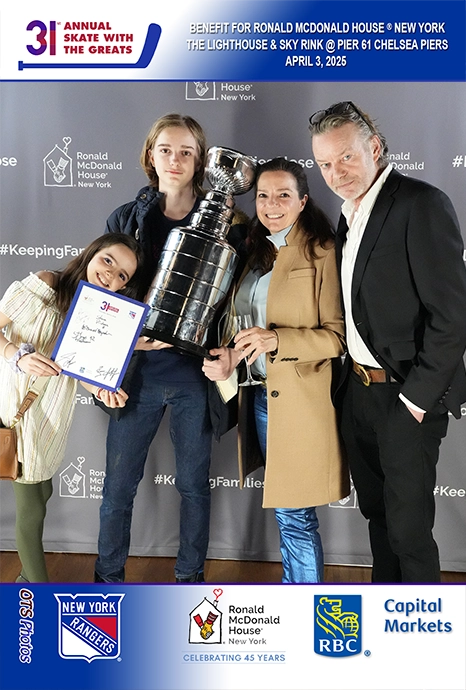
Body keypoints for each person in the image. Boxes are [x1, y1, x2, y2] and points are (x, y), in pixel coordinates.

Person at [309, 100, 466, 582]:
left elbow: (452, 317)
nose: (336, 173)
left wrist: (414, 403)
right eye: (325, 165)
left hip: (405, 396)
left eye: (346, 157)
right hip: (358, 395)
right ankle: (385, 616)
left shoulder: (421, 203)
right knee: (379, 520)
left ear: (374, 148)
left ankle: (422, 625)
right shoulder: (347, 214)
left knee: (409, 532)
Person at [94, 113, 248, 584]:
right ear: (150, 155)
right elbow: (101, 297)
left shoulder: (231, 227)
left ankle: (189, 582)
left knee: (194, 488)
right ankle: (107, 583)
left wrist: (226, 353)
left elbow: (238, 302)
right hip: (135, 376)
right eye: (165, 150)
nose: (175, 160)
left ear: (201, 161)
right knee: (118, 489)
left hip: (194, 380)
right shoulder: (127, 218)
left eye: (186, 152)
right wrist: (109, 360)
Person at [202, 157, 350, 583]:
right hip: (259, 399)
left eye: (283, 195)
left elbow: (337, 338)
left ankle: (305, 609)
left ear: (302, 201)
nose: (271, 204)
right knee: (289, 514)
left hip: (302, 404)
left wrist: (278, 341)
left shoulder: (322, 251)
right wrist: (232, 358)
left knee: (295, 516)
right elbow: (245, 327)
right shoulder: (255, 251)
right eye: (263, 195)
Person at [0, 233, 144, 583]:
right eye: (108, 260)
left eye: (122, 275)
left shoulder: (94, 312)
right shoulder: (46, 284)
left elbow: (77, 370)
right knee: (31, 509)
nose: (111, 274)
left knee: (42, 491)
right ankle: (37, 594)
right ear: (91, 254)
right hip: (21, 406)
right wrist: (17, 356)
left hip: (53, 411)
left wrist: (103, 391)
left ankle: (24, 582)